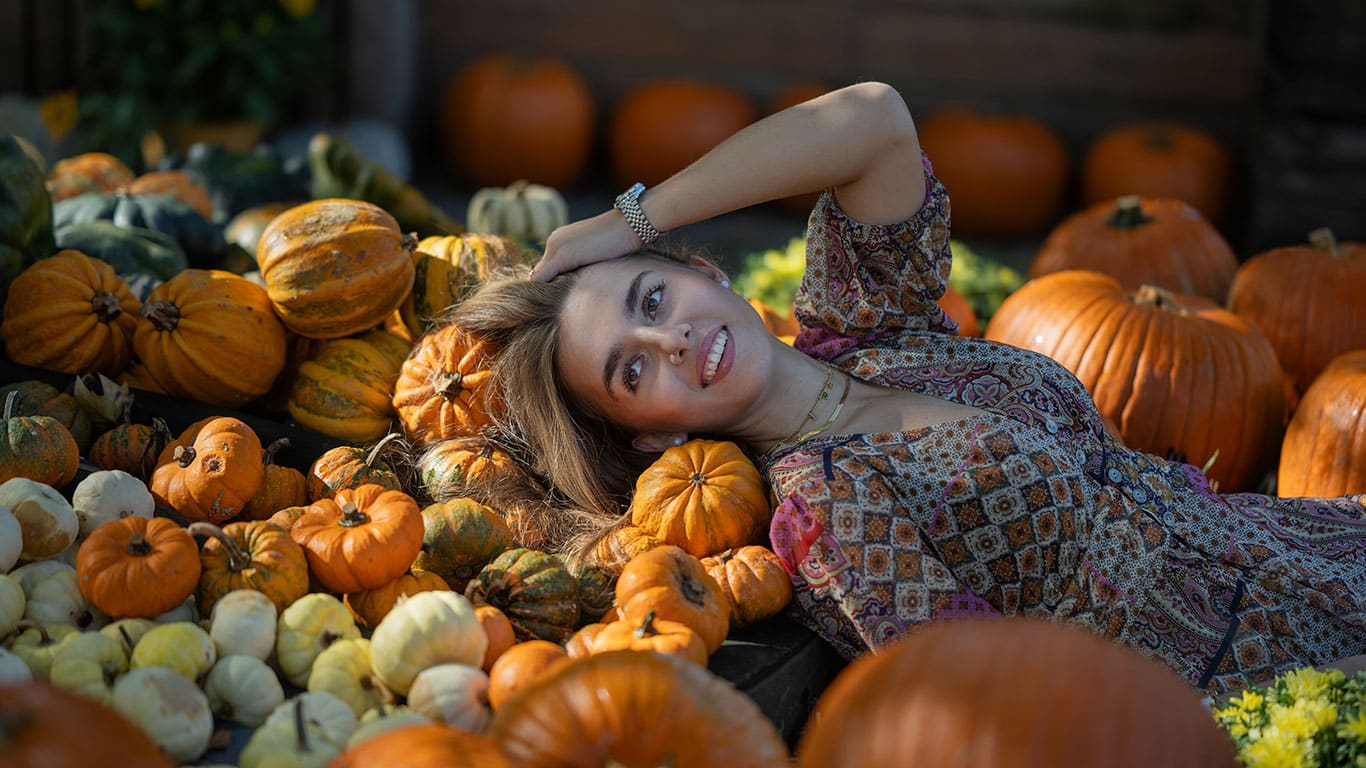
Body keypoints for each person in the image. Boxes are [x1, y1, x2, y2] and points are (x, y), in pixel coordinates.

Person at [442, 81, 1366, 696]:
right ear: (649, 436)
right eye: (632, 369)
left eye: (653, 297)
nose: (671, 339)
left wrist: (626, 218)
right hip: (1234, 682)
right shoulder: (826, 507)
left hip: (1290, 546)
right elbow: (974, 690)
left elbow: (874, 118)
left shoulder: (875, 331)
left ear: (702, 273)